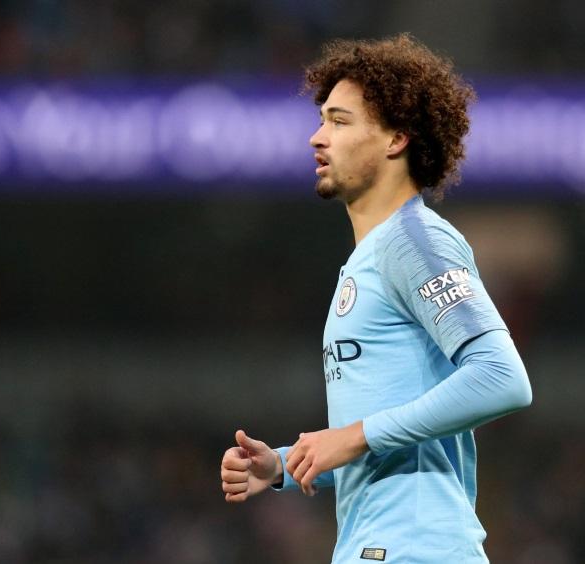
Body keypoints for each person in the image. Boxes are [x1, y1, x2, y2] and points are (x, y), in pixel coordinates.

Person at [220, 34, 532, 564]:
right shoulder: (369, 259)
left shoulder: (414, 241)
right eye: (322, 120)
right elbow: (389, 439)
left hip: (414, 550)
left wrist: (354, 436)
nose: (317, 137)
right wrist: (283, 466)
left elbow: (502, 377)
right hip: (380, 548)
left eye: (340, 122)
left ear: (395, 140)